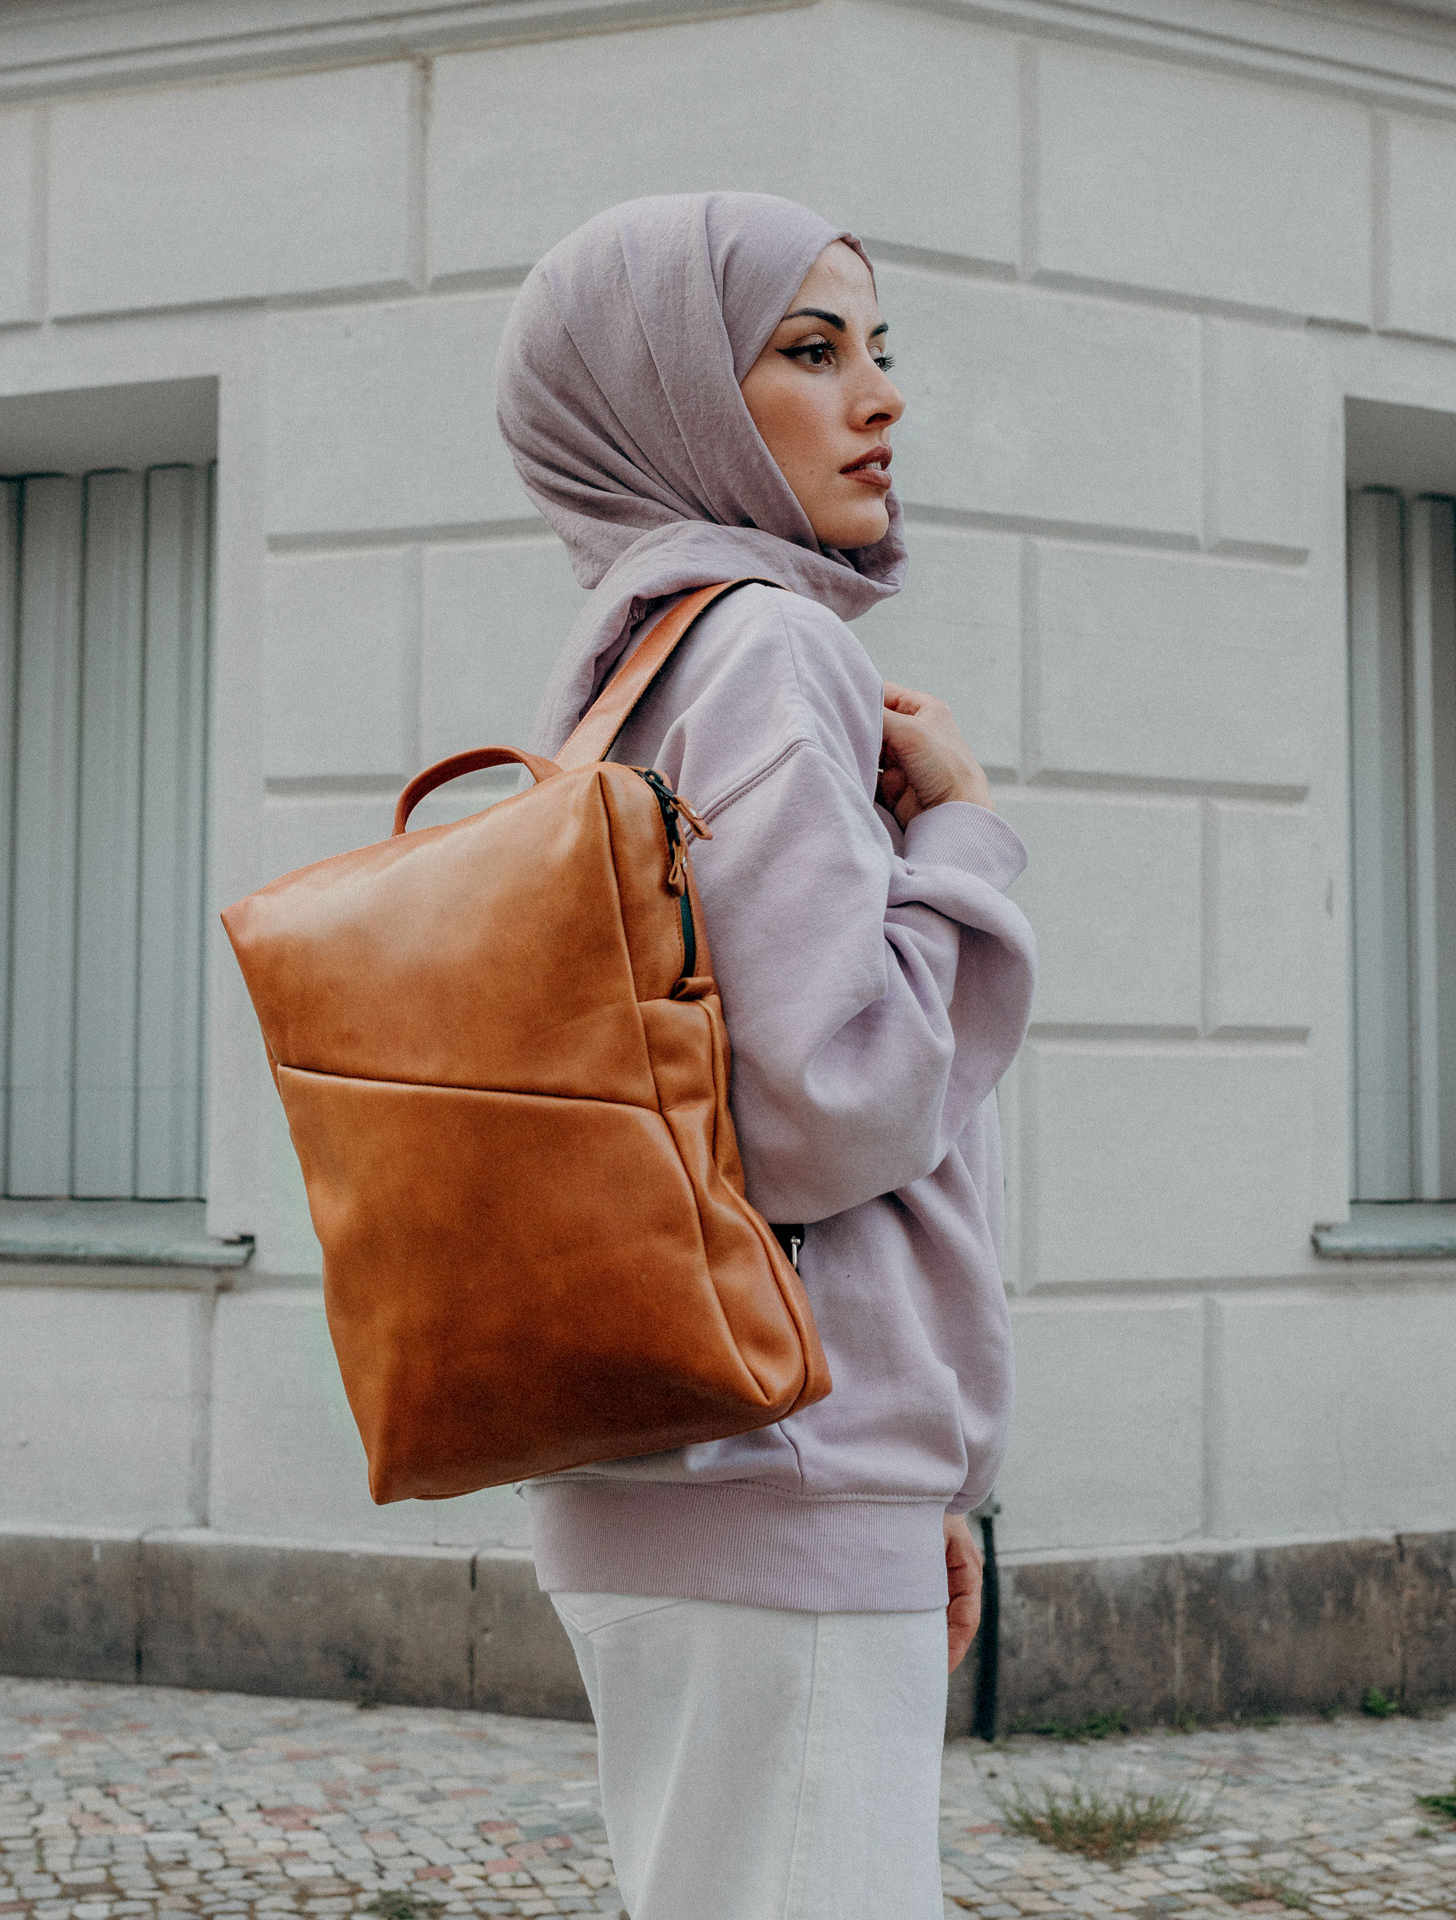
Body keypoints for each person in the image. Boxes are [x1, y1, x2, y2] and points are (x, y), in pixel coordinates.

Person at [495, 192, 1036, 1920]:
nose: (880, 396)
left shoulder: (624, 670)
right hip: (786, 1472)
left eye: (879, 348)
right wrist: (961, 836)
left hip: (676, 1475)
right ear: (670, 395)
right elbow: (829, 1100)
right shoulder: (770, 642)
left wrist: (915, 1493)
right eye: (809, 351)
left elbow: (716, 1101)